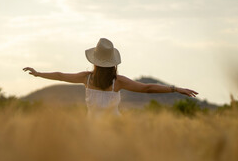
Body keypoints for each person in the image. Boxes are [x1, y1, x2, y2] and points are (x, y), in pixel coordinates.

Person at [23, 38, 198, 116]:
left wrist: (39, 74)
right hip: (116, 129)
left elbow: (61, 76)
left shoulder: (86, 78)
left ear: (95, 61)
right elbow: (147, 88)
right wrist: (176, 89)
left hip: (93, 133)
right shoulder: (118, 82)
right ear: (113, 63)